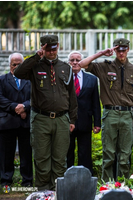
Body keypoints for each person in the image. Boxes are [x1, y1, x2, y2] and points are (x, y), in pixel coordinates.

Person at [14, 35, 78, 191]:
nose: (51, 52)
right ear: (43, 48)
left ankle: (58, 191)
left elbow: (71, 96)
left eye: (53, 48)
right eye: (47, 49)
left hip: (62, 119)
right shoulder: (35, 66)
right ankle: (43, 191)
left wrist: (72, 120)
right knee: (42, 158)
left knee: (60, 159)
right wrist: (36, 56)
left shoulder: (65, 67)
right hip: (41, 118)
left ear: (58, 47)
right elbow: (18, 73)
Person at [77, 38, 133, 182]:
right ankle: (106, 186)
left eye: (123, 49)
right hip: (110, 114)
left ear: (128, 50)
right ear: (114, 50)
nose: (121, 53)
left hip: (127, 115)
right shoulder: (104, 67)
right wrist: (101, 53)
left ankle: (124, 185)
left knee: (125, 155)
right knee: (109, 154)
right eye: (118, 50)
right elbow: (82, 64)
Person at [0, 53, 33, 187]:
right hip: (7, 122)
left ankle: (28, 181)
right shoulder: (2, 80)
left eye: (19, 64)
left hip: (26, 123)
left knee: (26, 153)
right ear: (10, 65)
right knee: (6, 154)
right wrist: (16, 108)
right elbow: (0, 98)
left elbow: (36, 97)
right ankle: (6, 181)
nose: (16, 66)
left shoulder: (31, 80)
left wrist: (25, 106)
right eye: (14, 64)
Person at [66, 51, 101, 175]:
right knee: (67, 152)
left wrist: (97, 123)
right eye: (72, 60)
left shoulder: (92, 79)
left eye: (78, 60)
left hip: (85, 121)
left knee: (85, 153)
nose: (75, 62)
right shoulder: (64, 78)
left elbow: (96, 102)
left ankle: (86, 178)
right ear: (68, 62)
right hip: (67, 122)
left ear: (82, 62)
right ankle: (67, 179)